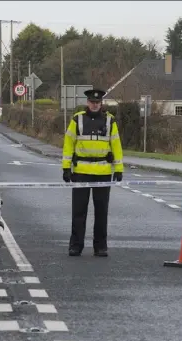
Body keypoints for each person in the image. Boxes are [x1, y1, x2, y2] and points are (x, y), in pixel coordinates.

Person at [62, 88, 123, 257]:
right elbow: (68, 144)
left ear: (101, 103)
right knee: (79, 211)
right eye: (92, 102)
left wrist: (118, 169)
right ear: (87, 102)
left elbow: (116, 146)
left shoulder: (110, 121)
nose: (95, 105)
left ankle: (100, 247)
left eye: (97, 102)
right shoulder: (77, 119)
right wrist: (66, 167)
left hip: (103, 172)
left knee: (101, 211)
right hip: (81, 171)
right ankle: (75, 245)